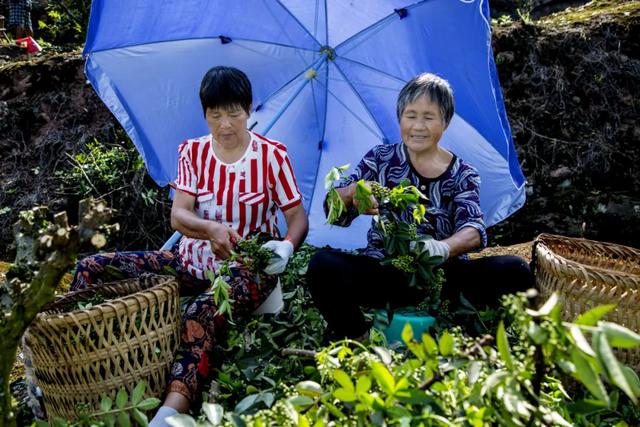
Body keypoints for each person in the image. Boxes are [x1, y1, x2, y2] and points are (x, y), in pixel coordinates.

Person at [66, 66, 308, 426]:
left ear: (249, 109)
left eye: (234, 113)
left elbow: (297, 219)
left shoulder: (272, 157)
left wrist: (286, 247)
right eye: (215, 114)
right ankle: (74, 366)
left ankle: (171, 410)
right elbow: (179, 216)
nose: (225, 125)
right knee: (92, 267)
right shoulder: (193, 153)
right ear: (204, 113)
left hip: (247, 270)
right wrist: (211, 229)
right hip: (190, 263)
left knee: (199, 313)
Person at [307, 73, 532, 340]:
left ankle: (484, 336)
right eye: (411, 116)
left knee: (514, 270)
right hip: (385, 272)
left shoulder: (463, 173)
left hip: (441, 277)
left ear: (445, 122)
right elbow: (333, 209)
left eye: (428, 117)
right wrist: (351, 193)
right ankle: (360, 337)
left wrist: (442, 248)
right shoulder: (380, 159)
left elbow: (473, 229)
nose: (418, 126)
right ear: (400, 118)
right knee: (322, 266)